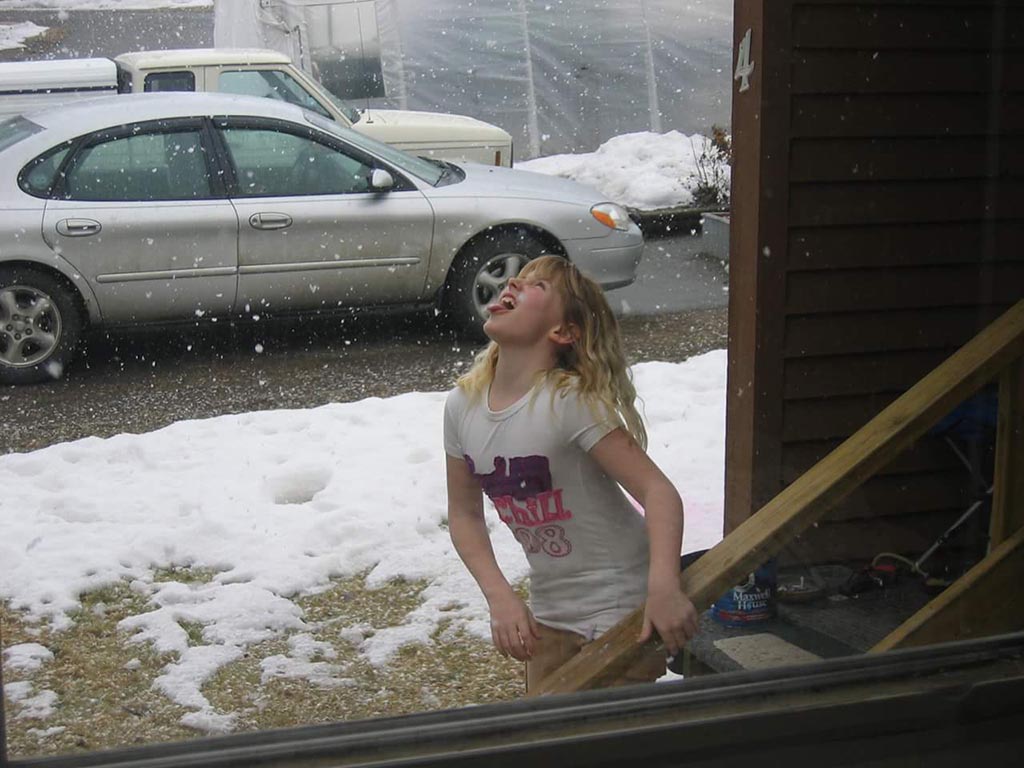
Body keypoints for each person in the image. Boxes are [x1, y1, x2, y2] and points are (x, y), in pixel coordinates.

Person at [443, 255, 698, 694]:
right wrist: (500, 597)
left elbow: (658, 493)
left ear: (562, 332)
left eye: (534, 285)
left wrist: (664, 587)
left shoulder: (569, 402)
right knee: (546, 742)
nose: (513, 285)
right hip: (551, 613)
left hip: (624, 606)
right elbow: (464, 515)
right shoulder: (462, 407)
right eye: (514, 280)